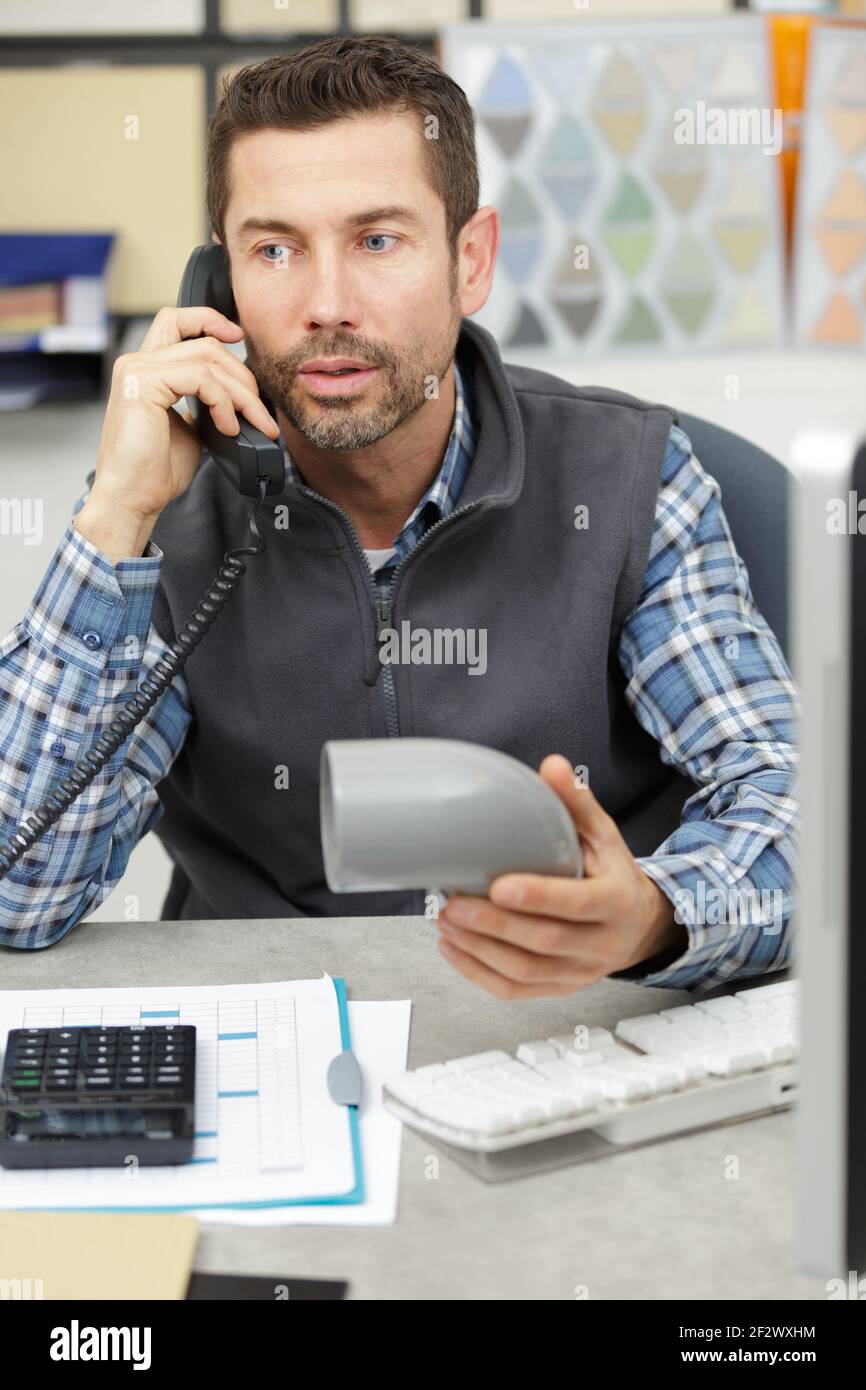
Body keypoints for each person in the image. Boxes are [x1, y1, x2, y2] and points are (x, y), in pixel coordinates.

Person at [0, 36, 798, 1000]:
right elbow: (17, 891)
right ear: (218, 288)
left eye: (377, 240)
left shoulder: (628, 476)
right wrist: (116, 515)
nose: (326, 305)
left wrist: (657, 916)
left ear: (470, 261)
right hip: (270, 1055)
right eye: (275, 249)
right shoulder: (169, 515)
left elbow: (794, 809)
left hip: (562, 1032)